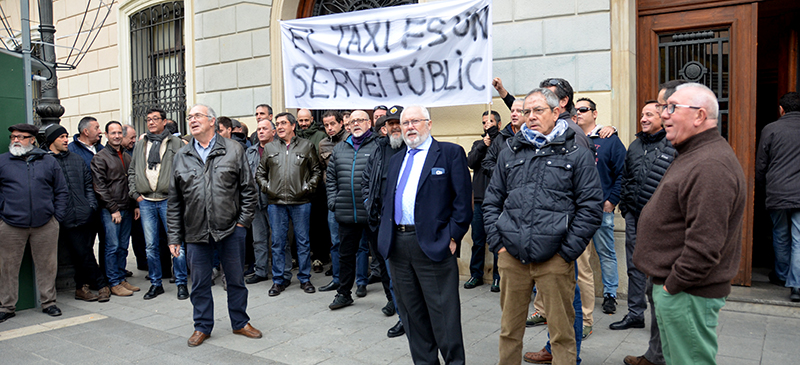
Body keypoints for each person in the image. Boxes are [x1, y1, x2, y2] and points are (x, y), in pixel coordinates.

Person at [483, 88, 602, 365]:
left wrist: (566, 253)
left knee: (562, 335)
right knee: (509, 332)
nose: (531, 116)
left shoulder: (576, 152)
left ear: (556, 112)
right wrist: (498, 246)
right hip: (511, 258)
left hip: (555, 260)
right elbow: (491, 203)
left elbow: (590, 208)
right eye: (527, 112)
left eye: (538, 110)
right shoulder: (511, 151)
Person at [633, 83, 746, 365]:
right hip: (679, 291)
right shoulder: (693, 153)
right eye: (663, 107)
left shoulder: (710, 165)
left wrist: (672, 287)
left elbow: (705, 246)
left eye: (672, 107)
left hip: (687, 292)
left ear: (699, 116)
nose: (664, 114)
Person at [377, 105, 472, 365]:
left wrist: (453, 236)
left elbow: (463, 202)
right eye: (405, 122)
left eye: (415, 121)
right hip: (398, 246)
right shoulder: (397, 159)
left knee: (444, 315)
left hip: (433, 245)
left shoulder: (450, 153)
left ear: (429, 124)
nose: (409, 127)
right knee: (412, 315)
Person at [168, 103, 261, 347]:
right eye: (190, 117)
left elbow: (249, 190)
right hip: (195, 231)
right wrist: (174, 237)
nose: (192, 120)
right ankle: (202, 326)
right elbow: (175, 201)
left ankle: (240, 322)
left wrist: (243, 223)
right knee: (198, 283)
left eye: (197, 115)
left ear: (212, 121)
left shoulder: (233, 149)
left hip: (231, 229)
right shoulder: (181, 156)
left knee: (235, 280)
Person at [620, 80, 684, 365]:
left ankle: (663, 355)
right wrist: (625, 206)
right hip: (635, 216)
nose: (644, 118)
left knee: (660, 286)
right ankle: (636, 316)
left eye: (652, 113)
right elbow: (625, 176)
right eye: (643, 115)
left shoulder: (675, 145)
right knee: (637, 269)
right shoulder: (634, 145)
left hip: (662, 226)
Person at [0, 123, 68, 322]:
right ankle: (6, 306)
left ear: (32, 140)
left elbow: (61, 191)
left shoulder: (48, 161)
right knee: (7, 267)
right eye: (13, 137)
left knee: (47, 265)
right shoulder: (3, 161)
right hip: (11, 224)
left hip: (45, 224)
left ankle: (49, 303)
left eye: (20, 137)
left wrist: (57, 218)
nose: (15, 140)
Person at [325, 110, 388, 310]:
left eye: (361, 120)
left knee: (381, 256)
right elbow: (331, 178)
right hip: (345, 212)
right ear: (347, 125)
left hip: (371, 213)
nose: (356, 124)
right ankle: (343, 294)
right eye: (353, 121)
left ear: (369, 123)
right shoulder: (340, 148)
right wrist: (334, 201)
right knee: (345, 256)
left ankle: (392, 299)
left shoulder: (380, 146)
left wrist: (378, 204)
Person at [256, 112, 322, 296]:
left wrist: (308, 188)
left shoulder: (306, 146)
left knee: (303, 241)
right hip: (275, 202)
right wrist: (267, 188)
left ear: (293, 126)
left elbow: (316, 171)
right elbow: (260, 173)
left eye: (283, 123)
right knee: (277, 242)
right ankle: (279, 280)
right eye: (277, 124)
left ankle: (304, 278)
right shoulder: (270, 148)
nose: (280, 127)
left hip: (301, 201)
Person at [44, 124, 109, 303]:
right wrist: (57, 213)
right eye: (61, 137)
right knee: (83, 251)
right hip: (64, 217)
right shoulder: (45, 161)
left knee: (83, 251)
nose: (66, 140)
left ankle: (81, 288)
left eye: (66, 136)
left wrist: (90, 206)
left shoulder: (76, 158)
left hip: (84, 214)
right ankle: (101, 284)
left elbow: (88, 184)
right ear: (51, 140)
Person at [128, 107, 188, 300]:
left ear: (164, 121)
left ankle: (181, 283)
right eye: (148, 119)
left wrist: (178, 195)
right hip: (146, 201)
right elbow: (132, 171)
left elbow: (185, 170)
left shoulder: (176, 142)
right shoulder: (141, 144)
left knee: (176, 243)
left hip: (169, 200)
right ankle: (156, 284)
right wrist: (135, 194)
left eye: (155, 119)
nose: (151, 122)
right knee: (151, 246)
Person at [575, 97, 626, 314]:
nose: (579, 113)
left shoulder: (610, 140)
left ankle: (610, 295)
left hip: (601, 209)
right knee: (577, 255)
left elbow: (623, 173)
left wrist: (612, 200)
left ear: (595, 113)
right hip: (576, 211)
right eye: (576, 110)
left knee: (606, 253)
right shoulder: (571, 138)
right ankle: (577, 296)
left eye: (584, 109)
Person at [362, 106, 407, 337]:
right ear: (385, 128)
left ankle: (414, 317)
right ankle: (402, 316)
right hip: (382, 223)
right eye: (391, 123)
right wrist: (369, 200)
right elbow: (366, 180)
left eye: (399, 121)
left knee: (409, 277)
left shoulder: (413, 148)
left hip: (408, 226)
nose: (395, 126)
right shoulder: (378, 150)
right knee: (391, 274)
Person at [756, 91, 800, 302]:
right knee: (799, 239)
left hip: (778, 191)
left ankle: (782, 276)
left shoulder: (771, 129)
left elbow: (761, 165)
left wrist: (762, 188)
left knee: (780, 235)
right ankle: (797, 285)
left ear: (781, 110)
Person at [92, 121, 141, 297]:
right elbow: (99, 187)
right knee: (112, 246)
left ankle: (121, 278)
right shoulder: (100, 157)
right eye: (113, 133)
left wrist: (135, 205)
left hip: (127, 208)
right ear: (106, 135)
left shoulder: (127, 156)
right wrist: (113, 209)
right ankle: (113, 282)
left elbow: (132, 182)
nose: (117, 136)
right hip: (111, 210)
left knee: (122, 247)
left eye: (119, 133)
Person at [245, 118, 285, 285]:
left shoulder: (280, 149)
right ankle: (261, 271)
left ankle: (283, 272)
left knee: (279, 238)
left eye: (264, 129)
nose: (260, 131)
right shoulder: (251, 151)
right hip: (256, 201)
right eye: (259, 129)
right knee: (259, 238)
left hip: (275, 200)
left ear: (273, 132)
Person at [465, 110, 502, 292]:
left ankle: (498, 277)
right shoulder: (478, 144)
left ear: (499, 124)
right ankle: (476, 274)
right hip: (479, 200)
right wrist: (483, 146)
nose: (487, 125)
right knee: (478, 240)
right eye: (484, 122)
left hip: (498, 200)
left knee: (497, 241)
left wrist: (494, 143)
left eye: (491, 122)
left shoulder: (505, 143)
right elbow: (470, 163)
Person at [318, 110, 349, 292]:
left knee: (358, 243)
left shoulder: (350, 140)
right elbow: (323, 169)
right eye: (326, 125)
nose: (329, 128)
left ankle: (359, 280)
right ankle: (337, 279)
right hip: (333, 198)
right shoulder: (323, 144)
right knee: (335, 241)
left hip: (351, 197)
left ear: (341, 123)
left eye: (332, 124)